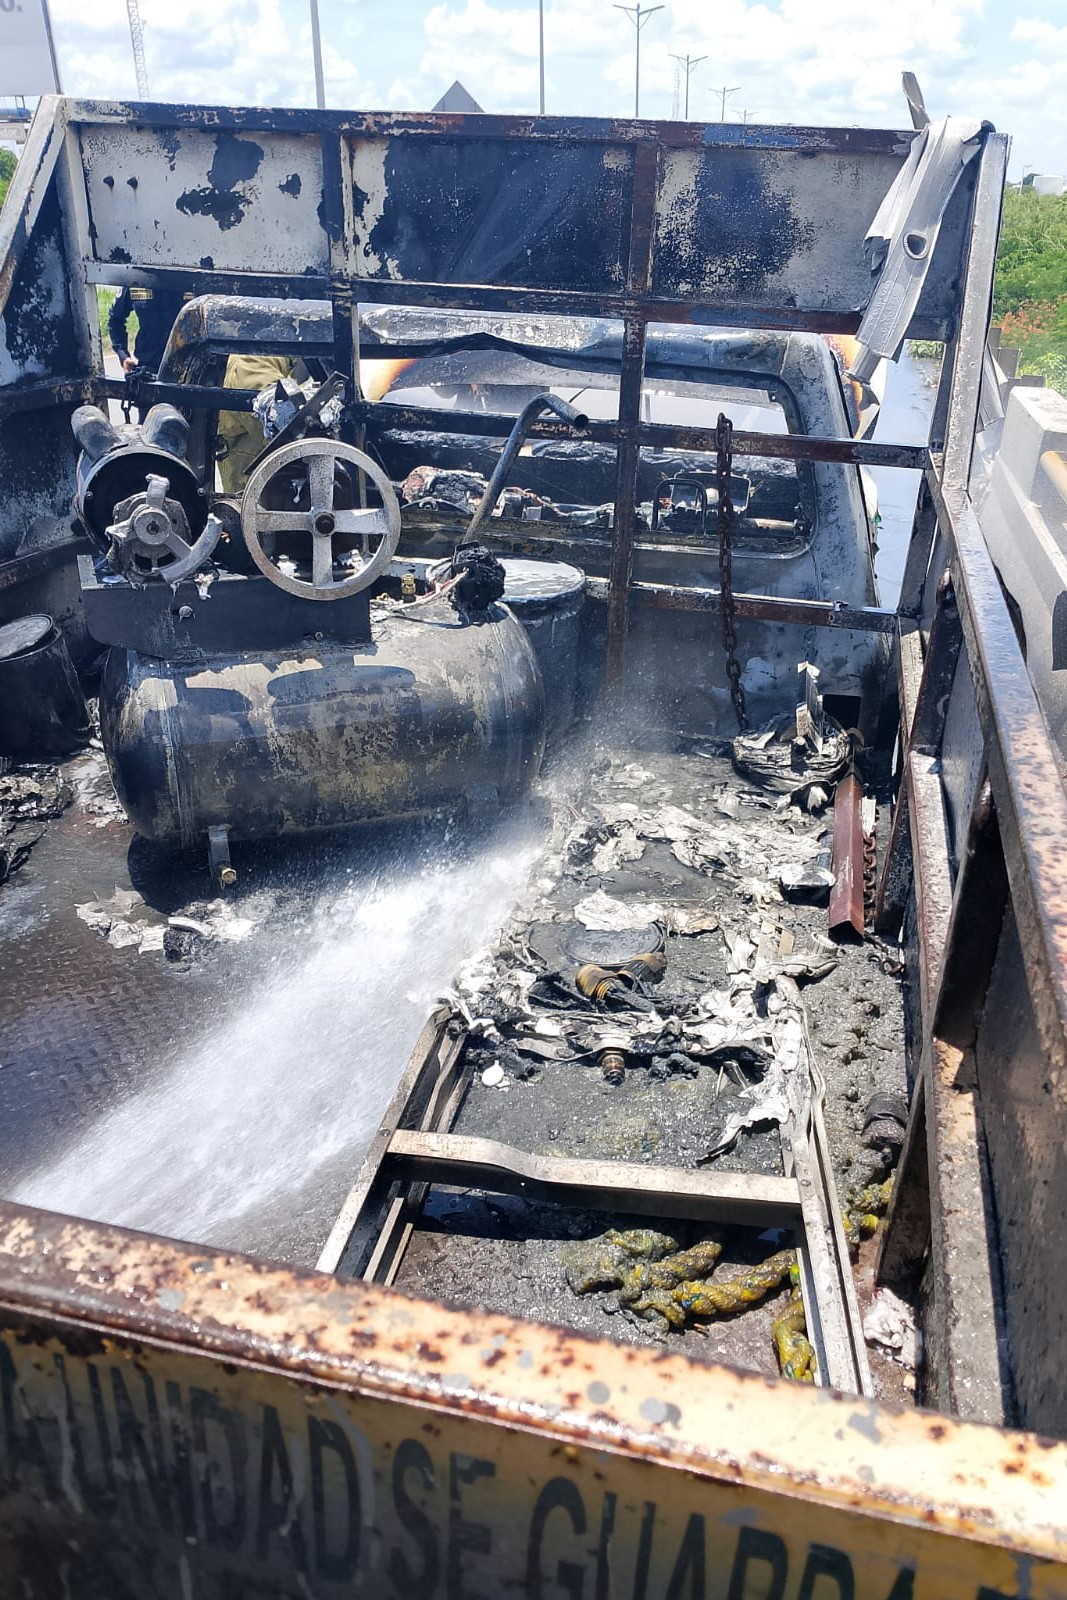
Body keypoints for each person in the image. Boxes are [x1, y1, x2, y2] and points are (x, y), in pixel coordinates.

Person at [107, 286, 190, 375]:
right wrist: (123, 355)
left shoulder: (191, 280)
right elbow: (115, 319)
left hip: (189, 367)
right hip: (148, 367)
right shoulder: (137, 282)